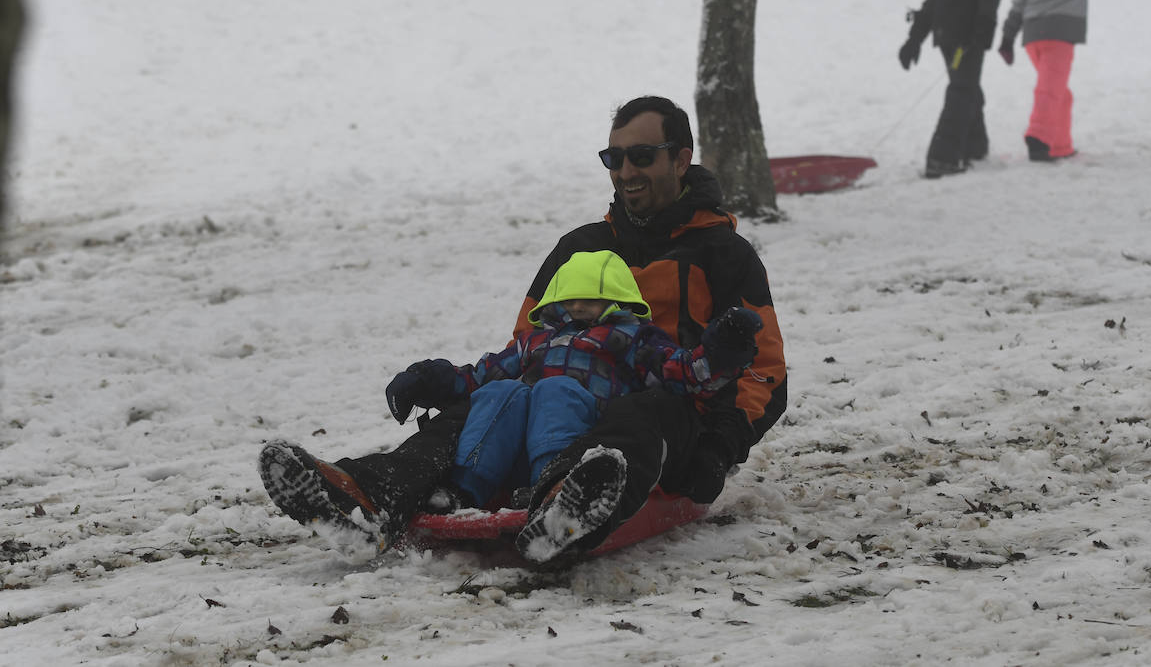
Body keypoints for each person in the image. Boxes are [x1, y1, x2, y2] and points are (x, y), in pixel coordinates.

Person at [258, 96, 787, 563]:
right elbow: (529, 349)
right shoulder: (579, 248)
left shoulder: (723, 255)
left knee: (643, 409)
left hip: (669, 413)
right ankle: (369, 500)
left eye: (641, 156)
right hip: (560, 404)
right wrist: (445, 384)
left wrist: (719, 448)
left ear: (680, 158)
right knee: (498, 398)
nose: (626, 170)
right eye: (614, 158)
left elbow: (762, 370)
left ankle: (570, 505)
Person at [386, 249, 761, 513]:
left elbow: (680, 373)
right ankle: (463, 488)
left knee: (556, 389)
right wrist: (428, 380)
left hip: (584, 446)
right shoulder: (534, 340)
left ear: (616, 300)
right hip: (517, 450)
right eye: (570, 300)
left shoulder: (631, 337)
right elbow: (479, 377)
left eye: (591, 299)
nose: (578, 308)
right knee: (502, 390)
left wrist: (721, 351)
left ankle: (557, 487)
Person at [899, 0, 1015, 179]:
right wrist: (981, 36)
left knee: (967, 86)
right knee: (962, 91)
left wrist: (914, 39)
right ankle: (943, 159)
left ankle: (976, 149)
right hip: (968, 35)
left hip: (944, 33)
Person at [999, 0, 1121, 161]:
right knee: (1050, 90)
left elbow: (1018, 2)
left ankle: (1059, 146)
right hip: (1060, 36)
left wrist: (1008, 38)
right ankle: (1038, 138)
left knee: (1060, 93)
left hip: (1033, 37)